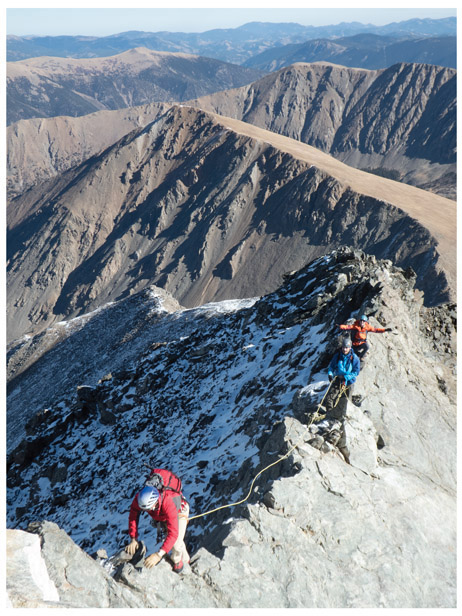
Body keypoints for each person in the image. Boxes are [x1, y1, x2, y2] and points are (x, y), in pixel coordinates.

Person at [125, 468, 190, 573]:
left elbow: (173, 533)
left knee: (176, 542)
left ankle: (178, 561)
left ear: (155, 502)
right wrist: (133, 538)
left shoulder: (168, 502)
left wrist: (158, 555)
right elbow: (133, 515)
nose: (147, 511)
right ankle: (187, 560)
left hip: (179, 511)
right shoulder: (140, 498)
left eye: (149, 508)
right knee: (176, 541)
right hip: (162, 516)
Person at [322, 337, 361, 463]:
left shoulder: (354, 358)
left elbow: (356, 372)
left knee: (344, 401)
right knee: (330, 398)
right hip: (338, 379)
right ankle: (330, 416)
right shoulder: (338, 356)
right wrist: (330, 374)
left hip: (348, 382)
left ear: (350, 348)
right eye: (344, 347)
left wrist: (346, 377)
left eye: (347, 347)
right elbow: (332, 366)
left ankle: (340, 420)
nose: (345, 349)